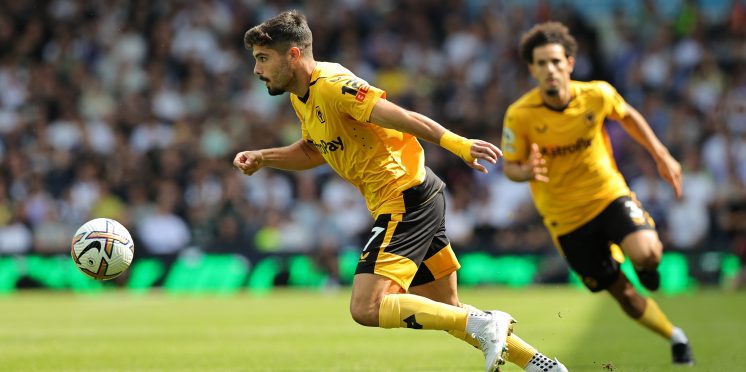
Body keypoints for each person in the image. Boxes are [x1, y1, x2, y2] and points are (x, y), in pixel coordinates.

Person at [234, 10, 566, 372]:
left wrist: (458, 143)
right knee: (446, 309)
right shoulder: (301, 96)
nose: (257, 69)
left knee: (367, 308)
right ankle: (540, 365)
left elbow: (402, 116)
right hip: (418, 194)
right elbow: (315, 149)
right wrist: (264, 157)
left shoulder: (333, 86)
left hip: (403, 198)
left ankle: (487, 323)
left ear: (294, 55)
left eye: (263, 58)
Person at [501, 21, 694, 366]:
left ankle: (644, 263)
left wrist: (661, 154)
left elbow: (628, 115)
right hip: (566, 220)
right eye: (541, 63)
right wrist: (526, 171)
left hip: (607, 196)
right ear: (532, 69)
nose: (550, 70)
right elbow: (510, 167)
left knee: (648, 254)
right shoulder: (520, 116)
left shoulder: (597, 94)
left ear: (570, 63)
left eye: (556, 61)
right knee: (625, 295)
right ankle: (675, 336)